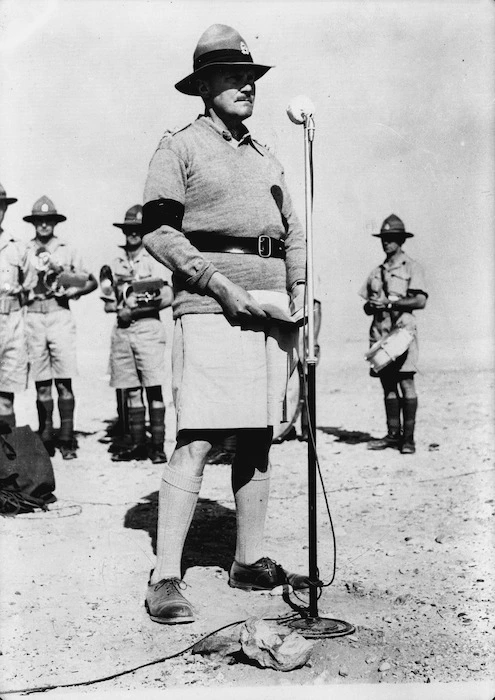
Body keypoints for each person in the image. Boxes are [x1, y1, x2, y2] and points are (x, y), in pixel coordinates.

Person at [141, 24, 309, 624]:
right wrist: (218, 285)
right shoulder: (179, 147)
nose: (246, 85)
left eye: (250, 76)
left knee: (259, 436)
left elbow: (295, 236)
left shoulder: (268, 156)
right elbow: (159, 230)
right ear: (203, 86)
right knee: (199, 439)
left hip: (274, 316)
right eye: (232, 76)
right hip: (213, 309)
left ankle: (249, 560)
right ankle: (165, 577)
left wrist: (301, 298)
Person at [24, 196, 97, 460]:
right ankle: (46, 436)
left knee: (63, 380)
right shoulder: (25, 249)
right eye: (39, 221)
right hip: (33, 315)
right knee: (41, 382)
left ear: (55, 223)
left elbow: (91, 281)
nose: (44, 225)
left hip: (59, 314)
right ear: (34, 223)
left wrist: (74, 290)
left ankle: (66, 437)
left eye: (48, 220)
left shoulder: (67, 249)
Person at [100, 204, 173, 464]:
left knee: (153, 387)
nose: (132, 234)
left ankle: (157, 446)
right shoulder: (115, 262)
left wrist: (138, 309)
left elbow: (167, 295)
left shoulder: (154, 259)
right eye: (129, 229)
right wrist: (119, 307)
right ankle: (137, 443)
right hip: (122, 330)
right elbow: (107, 300)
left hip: (148, 328)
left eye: (137, 230)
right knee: (130, 390)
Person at [360, 214, 428, 454]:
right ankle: (392, 434)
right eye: (384, 239)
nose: (386, 243)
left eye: (391, 239)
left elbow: (420, 300)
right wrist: (374, 305)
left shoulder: (411, 267)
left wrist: (390, 305)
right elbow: (367, 305)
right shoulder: (376, 272)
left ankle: (408, 439)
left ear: (400, 240)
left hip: (402, 334)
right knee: (387, 385)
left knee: (406, 382)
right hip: (380, 333)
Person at [0, 183, 37, 429]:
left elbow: (30, 284)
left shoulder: (17, 246)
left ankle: (5, 461)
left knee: (5, 396)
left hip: (11, 321)